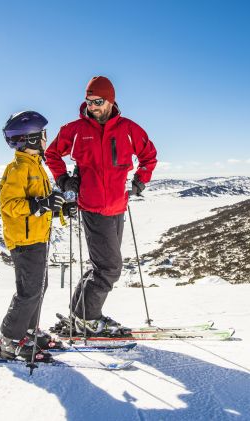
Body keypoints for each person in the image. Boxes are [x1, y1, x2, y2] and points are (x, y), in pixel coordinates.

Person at [45, 76, 158, 336]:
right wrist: (63, 179)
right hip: (93, 207)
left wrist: (141, 179)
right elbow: (51, 154)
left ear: (110, 100)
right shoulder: (74, 130)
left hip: (118, 206)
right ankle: (87, 317)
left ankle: (80, 315)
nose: (92, 107)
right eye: (88, 102)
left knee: (103, 266)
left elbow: (148, 156)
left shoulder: (129, 129)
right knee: (109, 268)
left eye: (97, 102)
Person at [0, 110, 66, 361]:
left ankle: (28, 330)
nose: (47, 139)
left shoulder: (35, 166)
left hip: (36, 236)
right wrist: (39, 205)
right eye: (44, 135)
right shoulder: (17, 168)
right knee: (28, 290)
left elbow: (41, 203)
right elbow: (10, 205)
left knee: (39, 286)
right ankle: (10, 339)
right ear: (32, 139)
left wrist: (57, 207)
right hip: (24, 240)